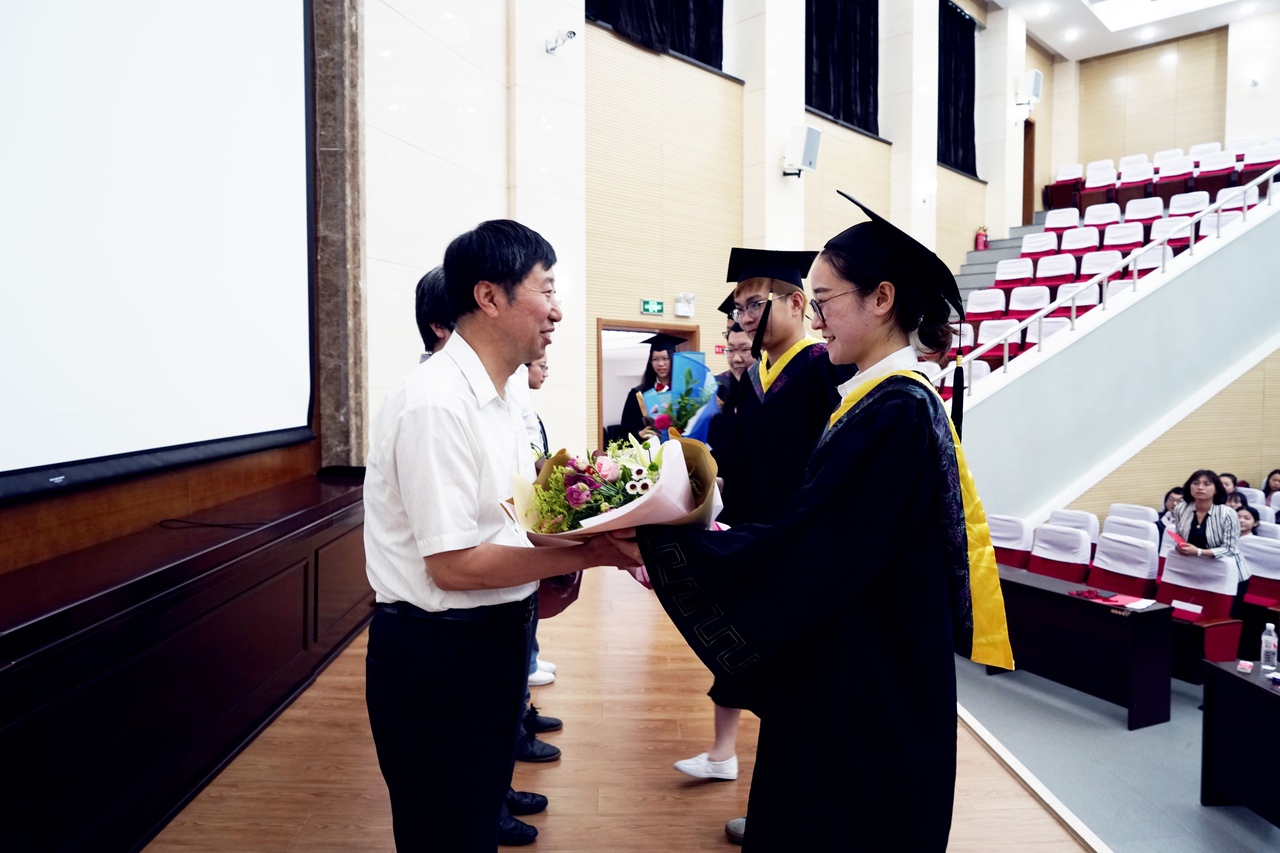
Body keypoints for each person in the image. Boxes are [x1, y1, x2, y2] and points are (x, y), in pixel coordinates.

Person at [615, 195, 1012, 851]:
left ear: (881, 298)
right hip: (852, 656)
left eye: (824, 301)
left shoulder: (896, 412)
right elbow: (820, 532)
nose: (816, 317)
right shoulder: (880, 401)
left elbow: (816, 549)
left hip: (869, 682)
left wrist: (670, 546)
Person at [363, 219, 633, 851]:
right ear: (488, 296)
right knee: (444, 832)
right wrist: (595, 551)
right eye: (547, 289)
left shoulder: (507, 397)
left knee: (476, 818)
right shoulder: (436, 403)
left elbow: (518, 523)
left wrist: (604, 534)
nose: (557, 311)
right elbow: (454, 565)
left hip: (493, 640)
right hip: (438, 654)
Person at [672, 248, 848, 796]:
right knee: (740, 648)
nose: (744, 317)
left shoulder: (825, 368)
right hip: (753, 540)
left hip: (801, 548)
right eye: (739, 308)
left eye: (755, 304)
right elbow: (738, 460)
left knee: (798, 676)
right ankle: (730, 759)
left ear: (796, 304)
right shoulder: (751, 380)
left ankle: (790, 800)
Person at [1170, 469, 1250, 615]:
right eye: (1196, 483)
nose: (1200, 487)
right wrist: (1179, 546)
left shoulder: (1227, 513)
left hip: (1230, 573)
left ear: (1216, 489)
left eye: (1206, 484)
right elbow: (1180, 535)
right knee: (1196, 614)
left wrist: (1199, 552)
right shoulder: (1181, 508)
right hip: (1200, 571)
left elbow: (1230, 548)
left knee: (1223, 617)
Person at [618, 333, 685, 439]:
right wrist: (639, 434)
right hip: (649, 446)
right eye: (655, 359)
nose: (660, 363)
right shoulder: (637, 394)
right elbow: (624, 432)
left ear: (673, 359)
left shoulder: (684, 392)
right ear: (650, 361)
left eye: (665, 358)